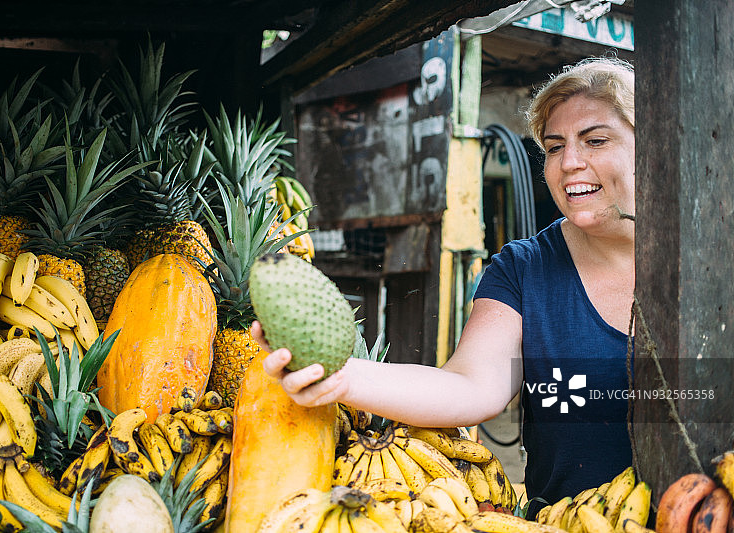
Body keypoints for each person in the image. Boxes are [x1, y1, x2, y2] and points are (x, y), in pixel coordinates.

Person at [253, 56, 635, 518]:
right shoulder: (523, 269)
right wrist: (342, 377)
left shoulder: (710, 264)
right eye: (554, 147)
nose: (570, 162)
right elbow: (469, 387)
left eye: (595, 140)